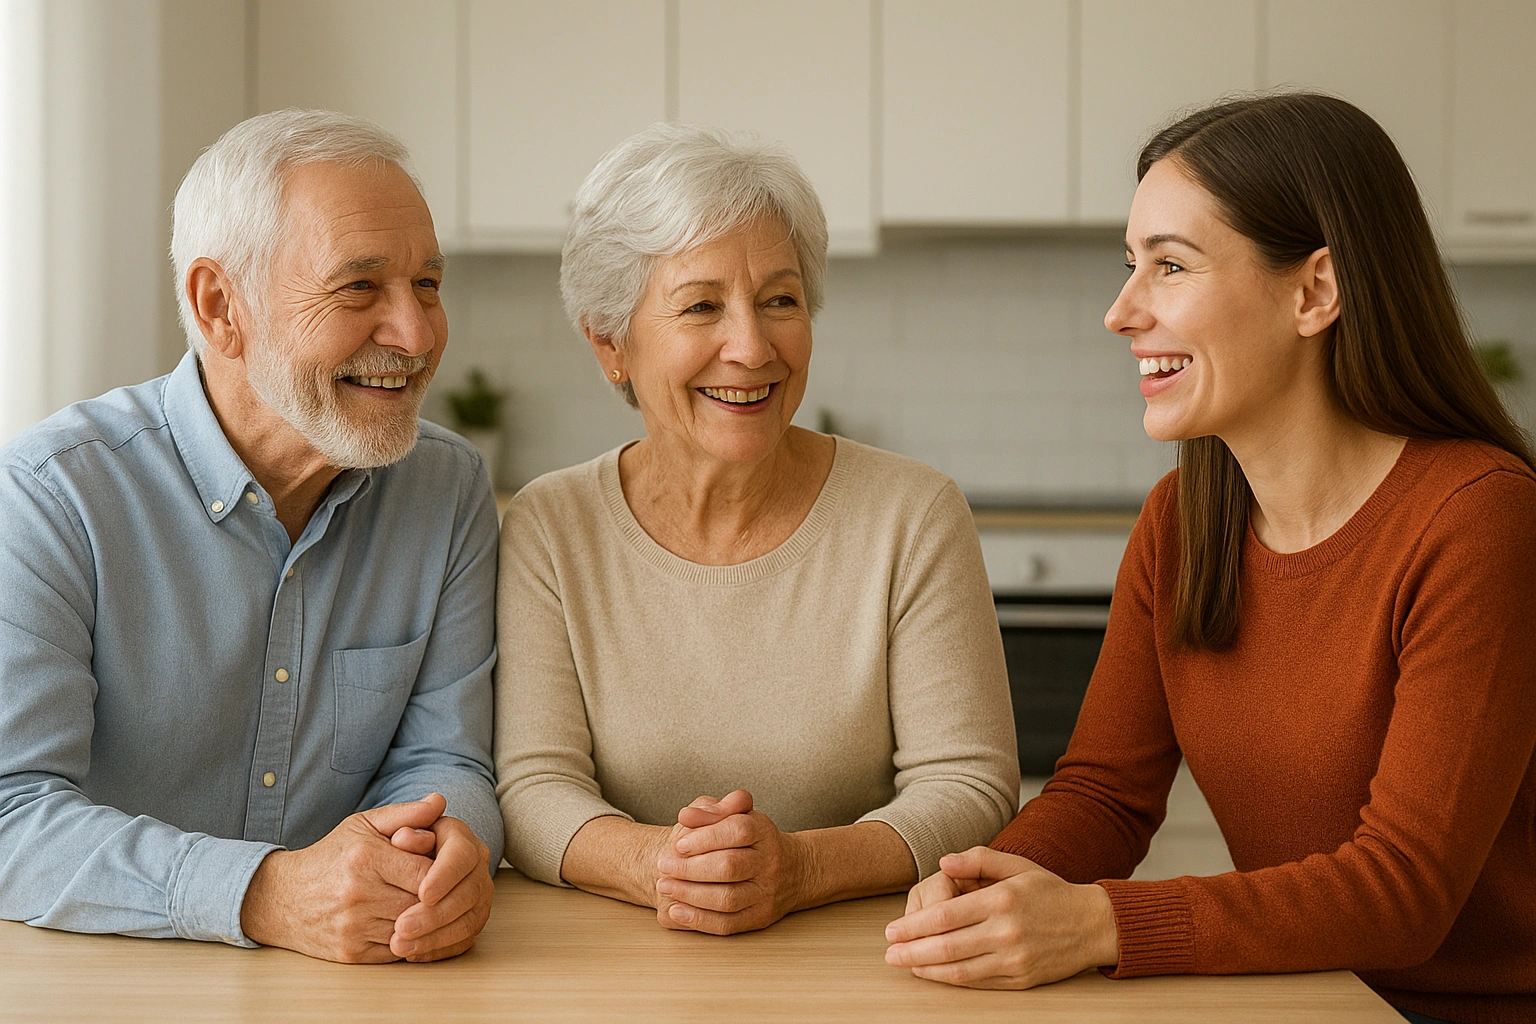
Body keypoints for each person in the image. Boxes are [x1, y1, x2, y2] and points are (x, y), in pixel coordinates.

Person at [883, 93, 1536, 1024]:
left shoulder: (1477, 519)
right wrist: (988, 883)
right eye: (1129, 265)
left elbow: (1404, 891)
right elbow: (1107, 795)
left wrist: (1099, 922)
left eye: (1170, 266)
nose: (1120, 311)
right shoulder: (1183, 522)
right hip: (1304, 999)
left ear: (1315, 291)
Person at [0, 109, 503, 964]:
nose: (417, 337)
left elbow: (445, 757)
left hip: (360, 982)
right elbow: (10, 816)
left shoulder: (446, 489)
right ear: (220, 305)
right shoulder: (50, 498)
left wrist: (448, 843)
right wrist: (264, 892)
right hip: (97, 981)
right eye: (359, 287)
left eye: (428, 284)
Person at [494, 122, 1019, 935]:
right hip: (615, 971)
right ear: (610, 344)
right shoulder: (550, 527)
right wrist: (659, 866)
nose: (751, 346)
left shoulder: (912, 514)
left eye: (780, 300)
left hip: (870, 963)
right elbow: (531, 788)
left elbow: (970, 785)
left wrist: (802, 869)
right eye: (702, 306)